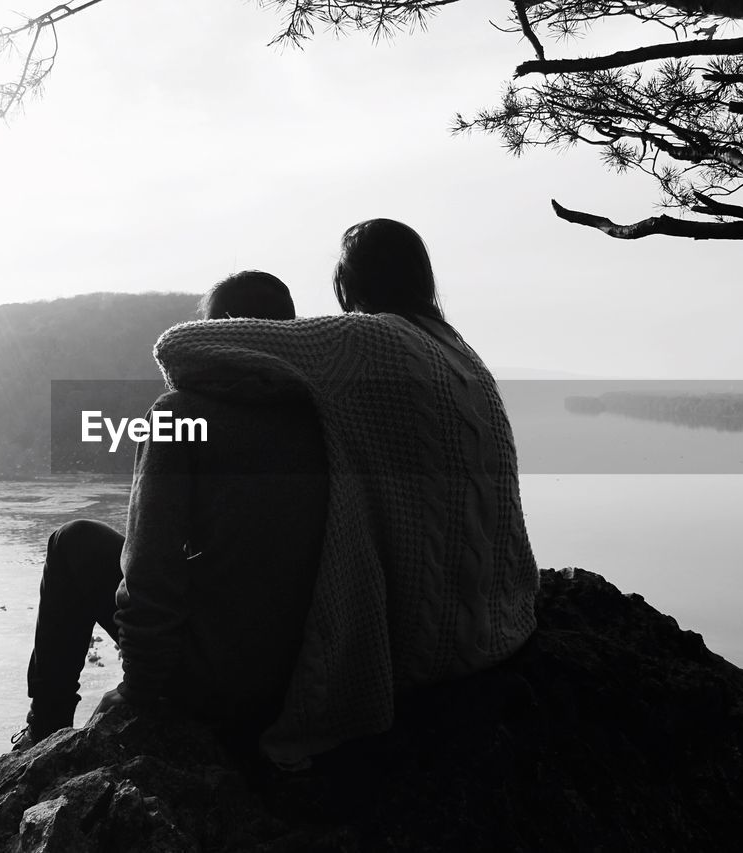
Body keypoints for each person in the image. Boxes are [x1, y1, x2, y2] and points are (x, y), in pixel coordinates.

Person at [154, 218, 540, 767]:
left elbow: (184, 346)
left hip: (428, 651)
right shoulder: (461, 354)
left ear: (346, 283)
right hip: (503, 626)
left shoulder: (368, 340)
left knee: (76, 547)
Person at [15, 271, 327, 748]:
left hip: (213, 686)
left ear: (208, 336)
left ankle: (45, 730)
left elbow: (149, 565)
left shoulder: (179, 415)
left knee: (72, 541)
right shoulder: (324, 417)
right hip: (301, 680)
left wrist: (138, 690)